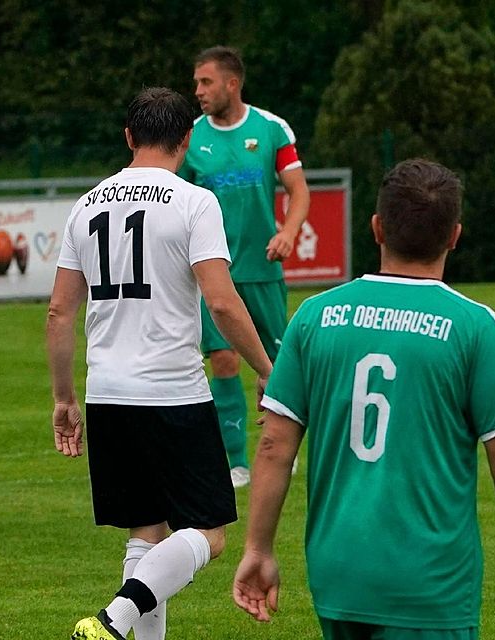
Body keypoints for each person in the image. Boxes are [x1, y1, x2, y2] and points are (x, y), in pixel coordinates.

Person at [233, 158, 495, 638]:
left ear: (376, 228)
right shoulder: (475, 327)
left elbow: (274, 446)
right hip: (428, 584)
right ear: (454, 235)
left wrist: (259, 549)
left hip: (338, 571)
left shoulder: (313, 316)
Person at [48, 87, 273, 640]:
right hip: (172, 392)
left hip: (107, 393)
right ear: (187, 139)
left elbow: (58, 312)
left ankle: (121, 628)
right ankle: (115, 618)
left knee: (146, 533)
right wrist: (269, 369)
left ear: (128, 137)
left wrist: (63, 398)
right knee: (210, 532)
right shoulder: (195, 202)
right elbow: (221, 300)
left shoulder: (87, 203)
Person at [178, 45, 310, 487]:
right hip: (217, 273)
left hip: (264, 268)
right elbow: (177, 201)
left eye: (206, 82)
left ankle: (283, 447)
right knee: (224, 361)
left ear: (232, 84)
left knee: (278, 363)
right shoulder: (191, 137)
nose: (198, 90)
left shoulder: (271, 129)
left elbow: (299, 190)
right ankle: (235, 461)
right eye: (196, 82)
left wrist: (288, 231)